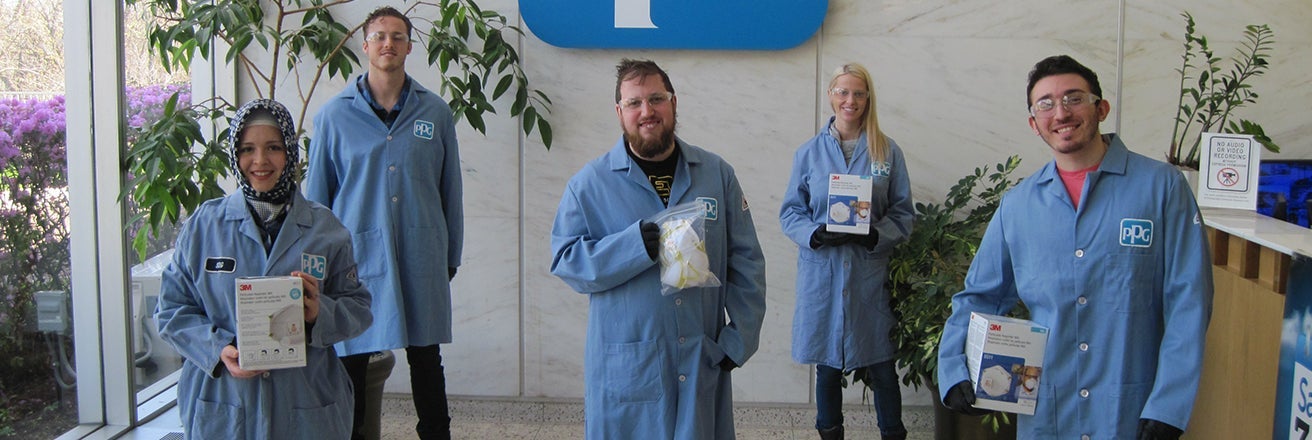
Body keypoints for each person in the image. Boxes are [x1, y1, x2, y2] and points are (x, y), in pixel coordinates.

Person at [935, 55, 1214, 439]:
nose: (1061, 112)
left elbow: (1189, 301)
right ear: (1034, 124)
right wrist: (953, 366)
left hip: (1131, 412)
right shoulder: (1018, 205)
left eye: (1074, 98)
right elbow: (980, 296)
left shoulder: (1161, 188)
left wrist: (1170, 403)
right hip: (1048, 411)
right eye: (1045, 104)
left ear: (1101, 108)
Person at [549, 58, 768, 439]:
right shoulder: (589, 185)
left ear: (674, 103)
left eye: (656, 99)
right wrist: (632, 247)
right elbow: (566, 260)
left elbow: (747, 262)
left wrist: (739, 339)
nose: (647, 112)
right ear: (619, 113)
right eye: (634, 103)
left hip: (701, 361)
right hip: (627, 370)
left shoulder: (716, 174)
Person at [154, 99, 373, 439]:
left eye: (273, 147)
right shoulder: (204, 226)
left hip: (308, 400)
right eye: (247, 149)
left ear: (290, 153)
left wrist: (320, 313)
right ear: (234, 155)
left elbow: (358, 309)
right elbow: (170, 310)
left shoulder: (325, 228)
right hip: (224, 402)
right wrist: (217, 350)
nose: (260, 161)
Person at [303, 6, 463, 440]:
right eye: (379, 36)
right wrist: (315, 270)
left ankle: (436, 434)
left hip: (421, 253)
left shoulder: (436, 113)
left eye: (397, 36)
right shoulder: (334, 117)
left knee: (426, 357)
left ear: (410, 46)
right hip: (356, 259)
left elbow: (451, 191)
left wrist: (451, 256)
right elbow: (317, 201)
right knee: (352, 356)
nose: (388, 43)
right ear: (365, 45)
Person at [779, 63, 913, 440]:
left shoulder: (887, 151)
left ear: (868, 98)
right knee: (828, 367)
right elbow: (790, 211)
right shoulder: (808, 153)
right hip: (823, 272)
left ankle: (892, 433)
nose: (849, 100)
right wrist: (815, 234)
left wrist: (877, 235)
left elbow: (904, 211)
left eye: (857, 93)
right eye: (842, 92)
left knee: (883, 367)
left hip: (869, 273)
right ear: (831, 96)